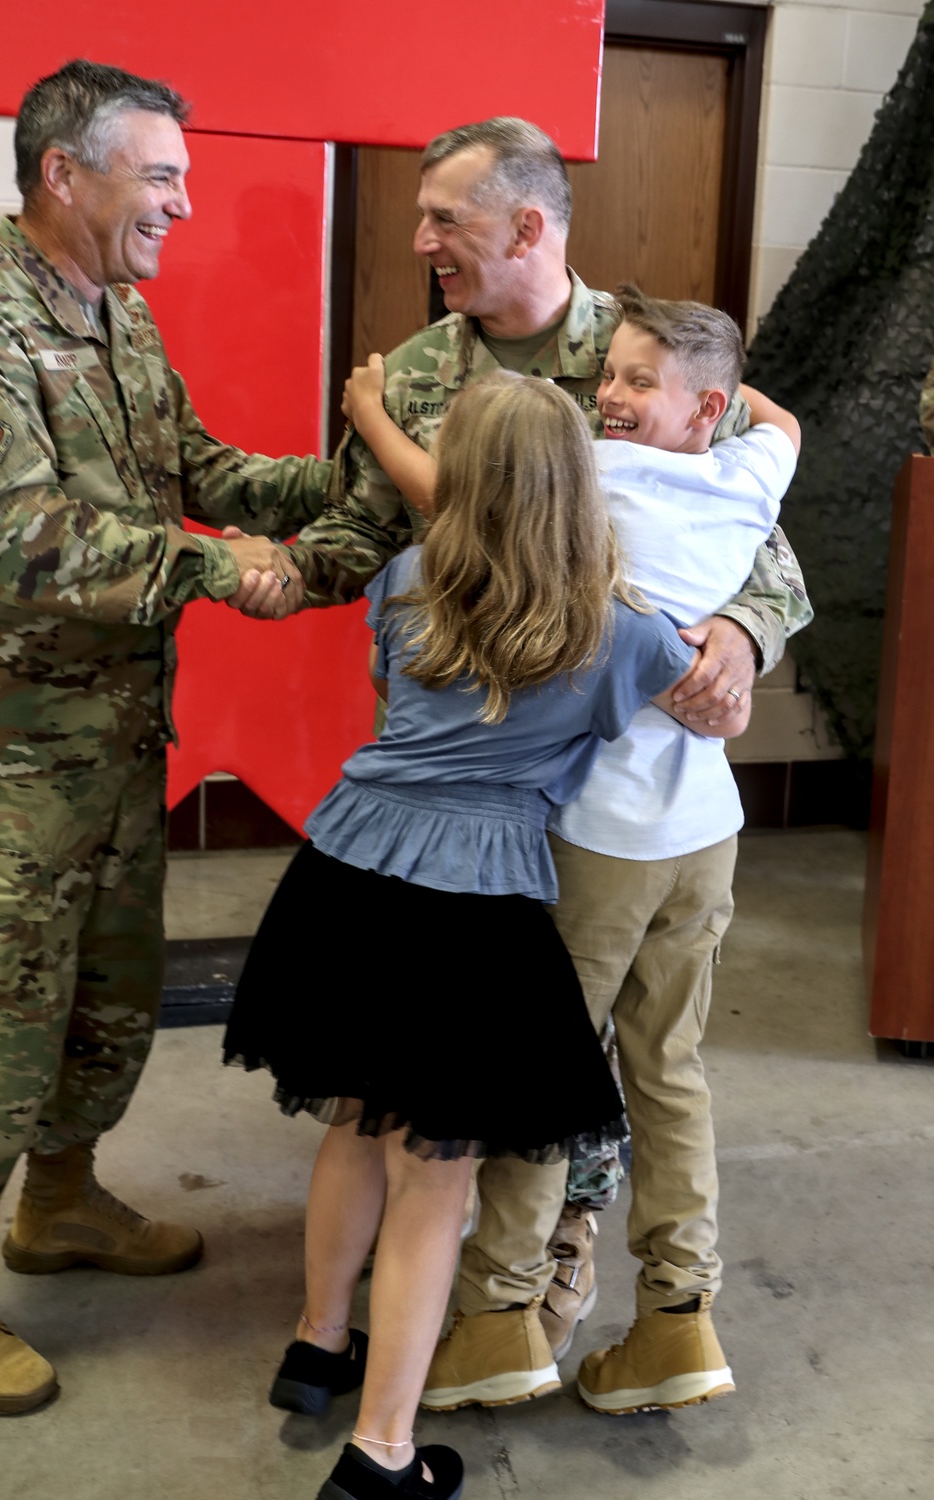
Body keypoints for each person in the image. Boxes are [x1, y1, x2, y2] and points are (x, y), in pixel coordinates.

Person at [228, 116, 813, 1355]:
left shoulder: (643, 346)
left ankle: (549, 1258)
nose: (422, 240)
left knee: (582, 1052)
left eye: (446, 218)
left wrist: (741, 647)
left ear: (527, 225)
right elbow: (370, 529)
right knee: (486, 1048)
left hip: (625, 790)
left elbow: (763, 548)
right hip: (488, 801)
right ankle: (456, 1286)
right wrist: (285, 574)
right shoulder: (427, 370)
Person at [223, 374, 749, 1500]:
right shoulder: (614, 632)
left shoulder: (408, 581)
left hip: (343, 874)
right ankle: (383, 1455)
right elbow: (711, 702)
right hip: (473, 914)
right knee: (436, 1179)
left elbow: (386, 689)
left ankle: (317, 1348)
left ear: (456, 476)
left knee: (353, 1122)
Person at [0, 59, 332, 1416]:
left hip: (110, 751)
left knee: (107, 1003)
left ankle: (61, 1205)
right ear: (65, 172)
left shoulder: (115, 315)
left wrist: (357, 483)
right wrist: (224, 571)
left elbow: (197, 469)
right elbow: (24, 543)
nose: (185, 199)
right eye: (160, 173)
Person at [343, 285, 801, 1416]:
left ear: (698, 408)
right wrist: (715, 390)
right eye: (612, 377)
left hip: (598, 839)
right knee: (669, 1072)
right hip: (705, 832)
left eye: (640, 382)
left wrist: (370, 416)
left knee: (538, 1080)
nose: (610, 396)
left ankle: (497, 1318)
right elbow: (781, 427)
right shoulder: (742, 478)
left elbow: (460, 495)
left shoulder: (599, 478)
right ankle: (677, 1321)